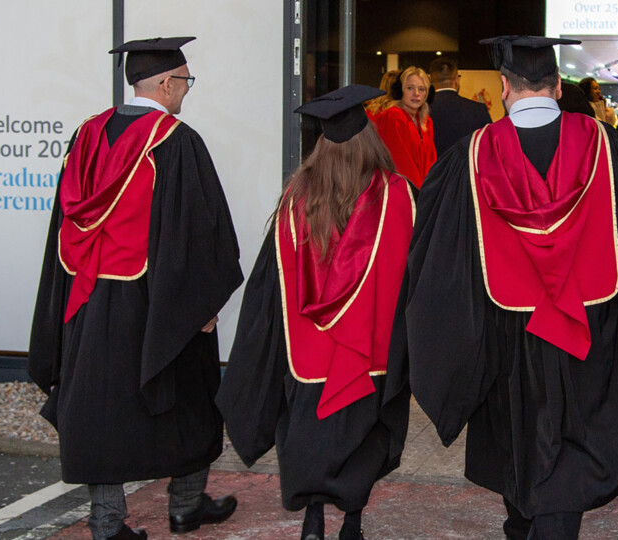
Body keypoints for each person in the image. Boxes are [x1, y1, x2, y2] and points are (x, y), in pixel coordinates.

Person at [392, 36, 618, 539]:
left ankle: (525, 520)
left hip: (509, 336)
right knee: (577, 448)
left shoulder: (470, 156)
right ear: (558, 86)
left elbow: (440, 261)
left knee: (519, 437)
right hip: (589, 329)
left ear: (503, 87)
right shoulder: (606, 146)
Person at [28, 37, 243, 540]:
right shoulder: (176, 141)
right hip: (159, 301)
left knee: (98, 407)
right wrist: (204, 303)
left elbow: (65, 221)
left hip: (87, 299)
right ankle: (185, 506)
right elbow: (200, 231)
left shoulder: (85, 134)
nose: (186, 90)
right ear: (166, 83)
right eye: (185, 81)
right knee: (190, 398)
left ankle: (107, 522)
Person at [216, 84, 413, 540]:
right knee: (364, 438)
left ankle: (312, 521)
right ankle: (352, 522)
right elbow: (412, 276)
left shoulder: (295, 200)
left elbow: (270, 284)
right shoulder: (397, 195)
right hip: (369, 354)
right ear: (370, 139)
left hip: (307, 355)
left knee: (308, 434)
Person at [375, 66, 437, 188]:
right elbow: (401, 163)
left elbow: (431, 161)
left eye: (421, 89)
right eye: (410, 88)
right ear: (400, 91)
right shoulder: (393, 116)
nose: (416, 94)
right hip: (401, 190)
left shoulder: (426, 122)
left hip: (423, 191)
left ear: (427, 94)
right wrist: (419, 193)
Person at [428, 57, 492, 155]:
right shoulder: (478, 110)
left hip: (434, 164)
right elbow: (490, 146)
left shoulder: (422, 111)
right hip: (467, 164)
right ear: (456, 80)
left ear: (430, 80)